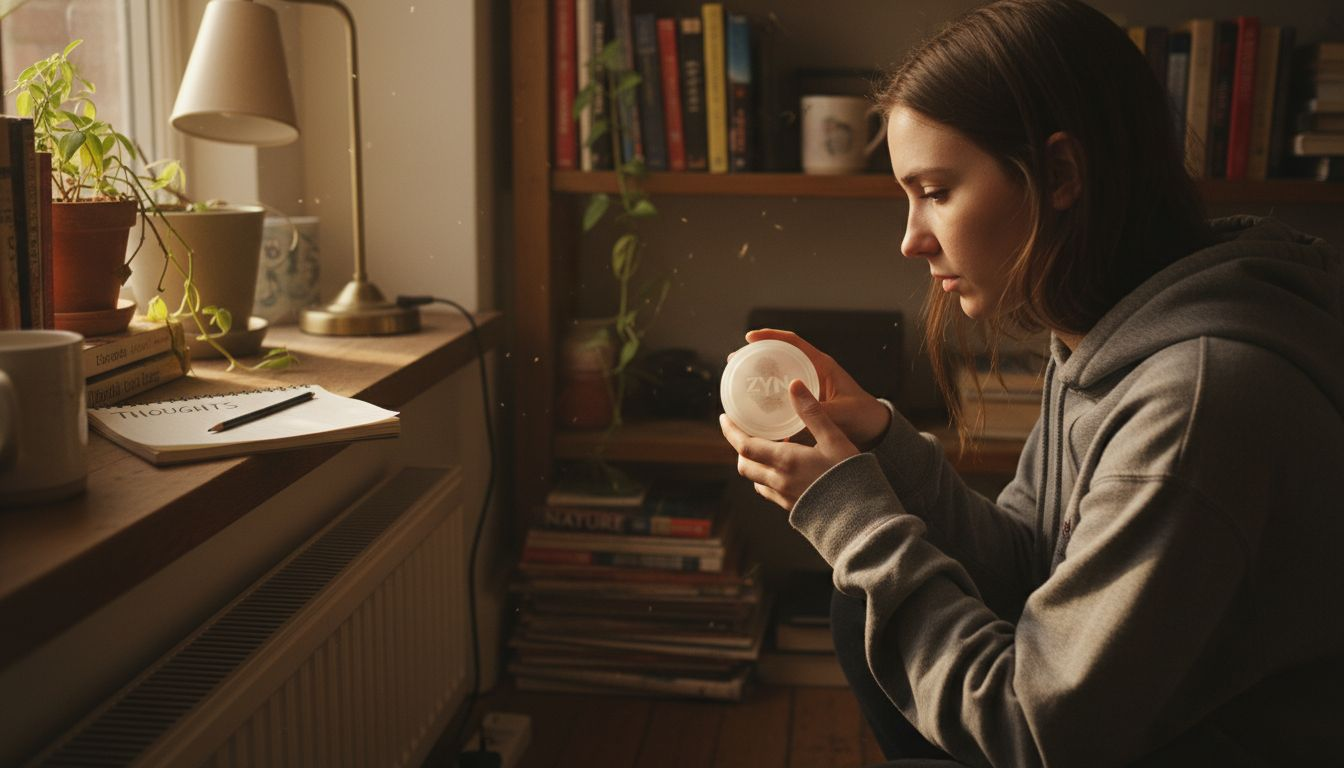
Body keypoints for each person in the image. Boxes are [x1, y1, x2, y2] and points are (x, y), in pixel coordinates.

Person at [718, 1, 1344, 765]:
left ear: (1060, 174)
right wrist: (881, 450)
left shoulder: (1197, 406)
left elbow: (1038, 729)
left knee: (875, 588)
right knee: (867, 602)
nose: (911, 240)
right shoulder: (1103, 329)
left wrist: (852, 519)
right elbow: (1028, 565)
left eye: (937, 191)